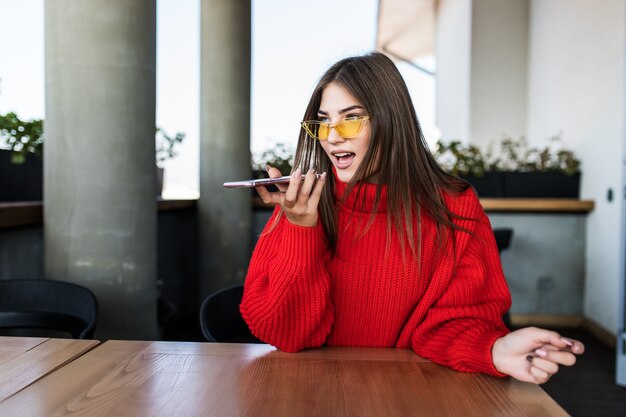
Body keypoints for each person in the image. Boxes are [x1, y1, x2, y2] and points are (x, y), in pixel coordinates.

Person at [240, 52, 584, 384]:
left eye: (350, 119)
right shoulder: (304, 206)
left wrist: (493, 349)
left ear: (391, 119)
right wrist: (301, 229)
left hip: (415, 394)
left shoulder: (454, 206)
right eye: (324, 121)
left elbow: (454, 323)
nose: (331, 137)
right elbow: (284, 333)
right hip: (315, 393)